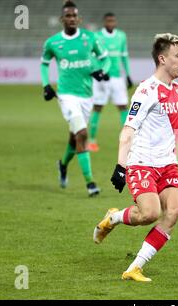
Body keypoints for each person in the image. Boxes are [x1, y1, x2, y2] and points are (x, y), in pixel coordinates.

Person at [93, 33, 178, 281]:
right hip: (142, 164)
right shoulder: (146, 91)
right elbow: (127, 131)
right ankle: (114, 217)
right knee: (148, 214)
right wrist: (120, 167)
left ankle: (134, 267)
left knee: (174, 211)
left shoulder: (177, 89)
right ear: (162, 58)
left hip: (167, 165)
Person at [40, 1, 111, 197]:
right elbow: (44, 64)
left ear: (78, 19)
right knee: (82, 134)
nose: (71, 19)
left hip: (87, 96)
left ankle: (62, 165)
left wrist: (102, 72)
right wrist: (46, 85)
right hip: (66, 95)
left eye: (74, 16)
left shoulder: (90, 38)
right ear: (62, 19)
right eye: (67, 16)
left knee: (74, 138)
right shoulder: (53, 42)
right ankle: (91, 183)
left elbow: (105, 59)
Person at [87, 12, 133, 152]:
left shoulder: (121, 36)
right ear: (104, 22)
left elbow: (124, 56)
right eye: (108, 21)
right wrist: (100, 72)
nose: (110, 23)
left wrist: (128, 75)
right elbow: (93, 56)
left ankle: (128, 141)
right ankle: (92, 141)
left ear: (115, 22)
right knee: (98, 107)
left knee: (123, 107)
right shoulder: (97, 36)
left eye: (112, 21)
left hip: (117, 78)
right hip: (102, 78)